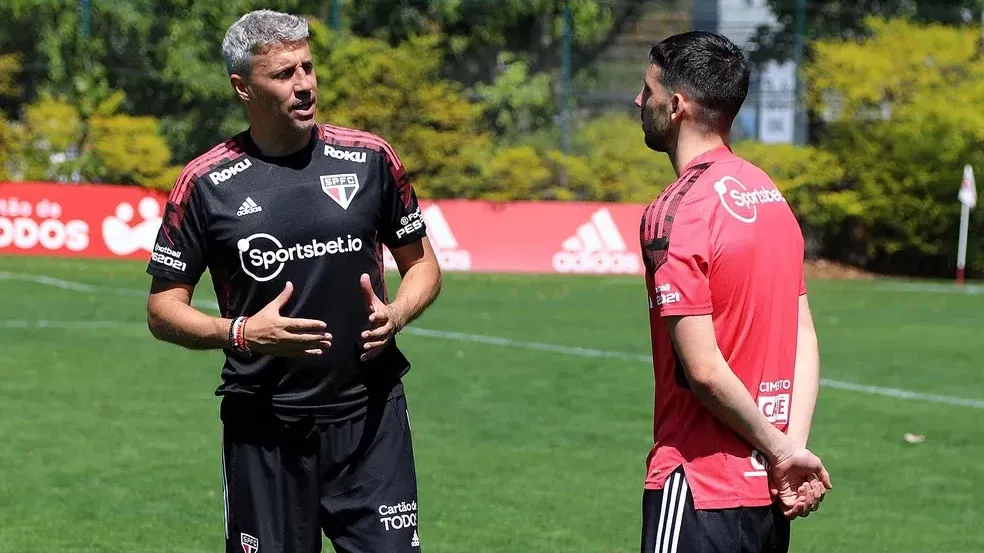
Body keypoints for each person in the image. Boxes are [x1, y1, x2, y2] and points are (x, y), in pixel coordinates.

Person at [145, 10, 441, 553]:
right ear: (242, 87)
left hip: (370, 419)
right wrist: (240, 333)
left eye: (307, 67)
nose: (303, 84)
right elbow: (163, 309)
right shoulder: (206, 184)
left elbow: (422, 266)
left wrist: (397, 313)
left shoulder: (371, 158)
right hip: (265, 426)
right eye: (283, 74)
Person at [633, 31, 831, 553]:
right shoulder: (770, 196)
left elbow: (702, 369)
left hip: (698, 484)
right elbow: (803, 337)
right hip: (767, 490)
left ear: (675, 106)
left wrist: (782, 451)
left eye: (647, 89)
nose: (639, 101)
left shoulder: (675, 210)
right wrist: (789, 449)